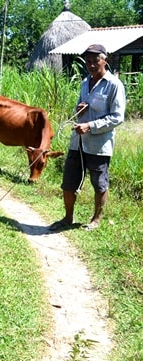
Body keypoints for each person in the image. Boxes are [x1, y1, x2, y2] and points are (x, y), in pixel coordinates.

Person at [49, 44, 126, 231]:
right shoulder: (85, 82)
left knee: (99, 183)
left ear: (105, 60)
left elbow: (117, 117)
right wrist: (79, 109)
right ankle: (68, 218)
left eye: (95, 61)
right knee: (68, 182)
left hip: (99, 145)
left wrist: (90, 125)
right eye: (88, 62)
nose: (91, 65)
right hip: (78, 142)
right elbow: (79, 107)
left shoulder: (114, 85)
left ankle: (96, 219)